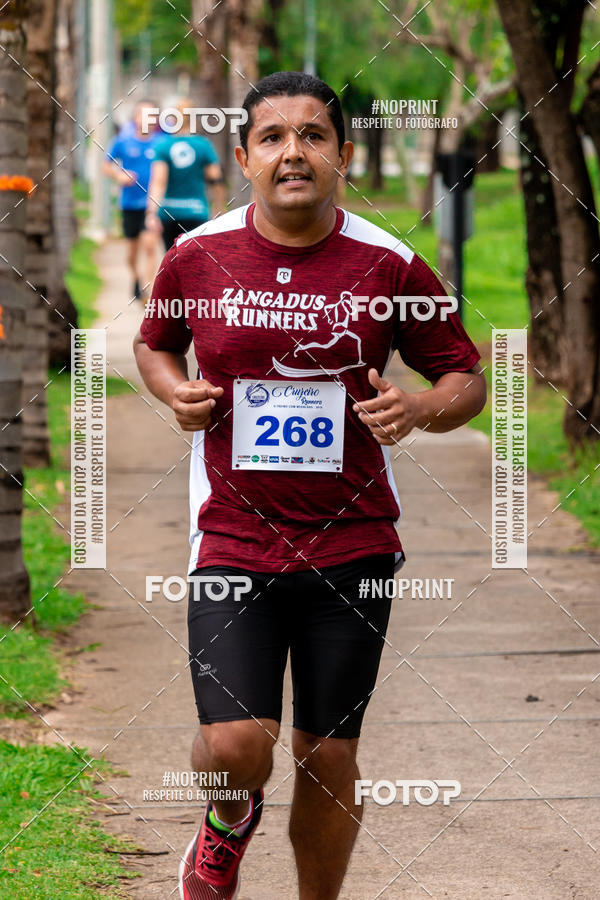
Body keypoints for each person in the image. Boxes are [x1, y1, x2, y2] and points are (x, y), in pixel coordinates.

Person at [133, 71, 486, 900]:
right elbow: (155, 343)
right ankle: (224, 826)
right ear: (244, 157)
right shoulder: (198, 256)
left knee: (327, 757)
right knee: (234, 745)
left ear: (342, 154)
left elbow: (465, 374)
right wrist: (170, 388)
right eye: (274, 137)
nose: (294, 152)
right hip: (233, 536)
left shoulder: (389, 263)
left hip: (354, 541)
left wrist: (423, 408)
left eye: (314, 136)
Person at [145, 98, 226, 249]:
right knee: (194, 261)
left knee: (172, 259)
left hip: (169, 213)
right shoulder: (203, 145)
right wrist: (219, 208)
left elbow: (159, 181)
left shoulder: (163, 146)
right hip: (196, 212)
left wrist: (151, 213)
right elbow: (215, 179)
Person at [103, 100, 161, 300]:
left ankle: (148, 290)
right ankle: (137, 279)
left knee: (150, 246)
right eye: (144, 115)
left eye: (152, 116)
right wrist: (119, 175)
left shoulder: (162, 143)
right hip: (129, 204)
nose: (148, 120)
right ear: (135, 118)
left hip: (151, 205)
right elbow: (106, 165)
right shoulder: (122, 141)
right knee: (131, 254)